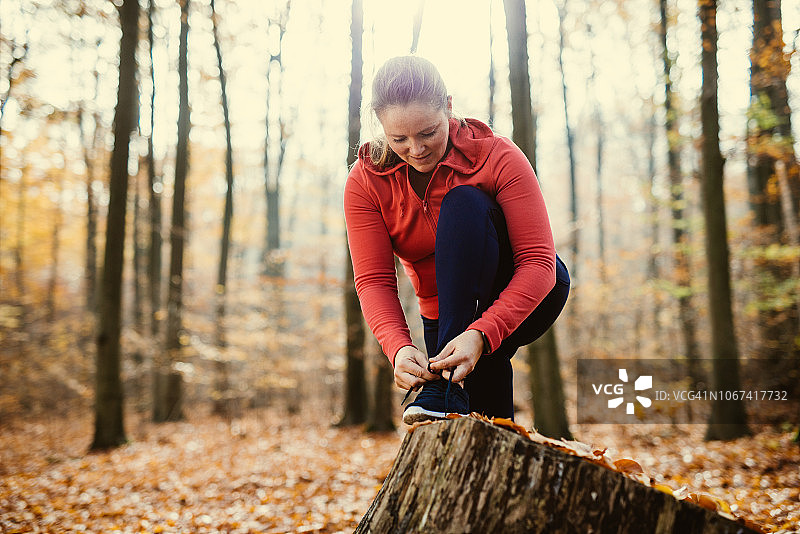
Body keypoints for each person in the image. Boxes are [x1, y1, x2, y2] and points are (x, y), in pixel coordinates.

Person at [344, 55, 569, 425]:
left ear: (447, 107)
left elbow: (539, 263)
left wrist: (482, 333)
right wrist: (398, 348)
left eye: (428, 132)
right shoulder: (366, 181)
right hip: (444, 313)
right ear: (380, 126)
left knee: (463, 202)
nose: (416, 149)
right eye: (399, 139)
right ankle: (471, 418)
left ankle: (450, 386)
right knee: (476, 416)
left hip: (527, 290)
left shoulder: (497, 155)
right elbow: (374, 280)